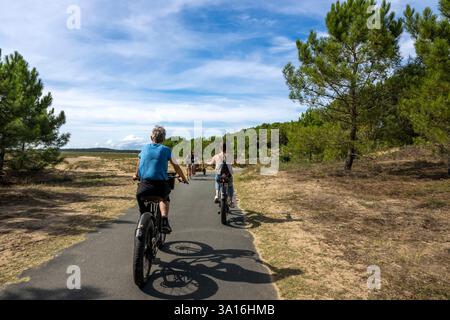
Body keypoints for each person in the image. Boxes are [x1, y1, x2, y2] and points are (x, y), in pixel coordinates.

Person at [133, 126, 188, 234]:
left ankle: (143, 217)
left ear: (151, 137)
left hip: (144, 186)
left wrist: (136, 175)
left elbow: (139, 163)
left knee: (139, 196)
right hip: (160, 186)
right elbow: (176, 167)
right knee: (164, 198)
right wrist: (183, 178)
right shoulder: (166, 150)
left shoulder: (144, 148)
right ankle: (164, 221)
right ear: (163, 139)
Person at [207, 143, 235, 208]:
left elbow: (211, 163)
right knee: (230, 185)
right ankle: (230, 201)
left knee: (217, 182)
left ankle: (216, 195)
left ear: (220, 148)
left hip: (219, 175)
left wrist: (206, 162)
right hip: (228, 175)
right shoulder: (230, 155)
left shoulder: (216, 156)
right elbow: (233, 162)